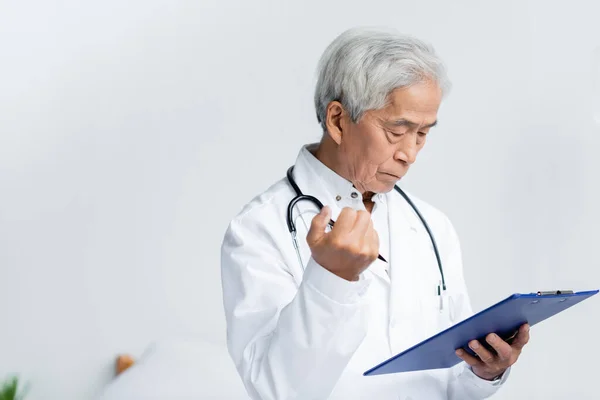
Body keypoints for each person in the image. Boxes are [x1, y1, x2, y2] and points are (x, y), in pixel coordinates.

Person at [220, 27, 529, 400]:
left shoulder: (432, 226)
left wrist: (485, 373)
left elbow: (450, 383)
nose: (410, 154)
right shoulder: (259, 229)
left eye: (423, 133)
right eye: (397, 130)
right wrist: (331, 279)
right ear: (337, 120)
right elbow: (276, 389)